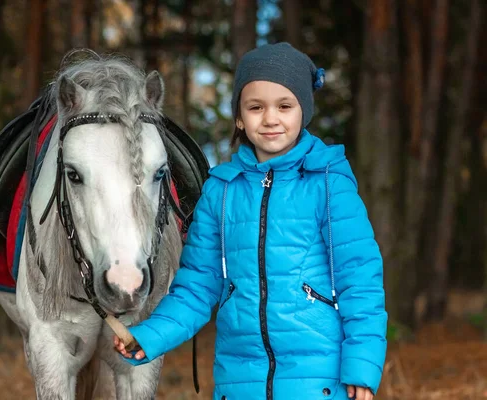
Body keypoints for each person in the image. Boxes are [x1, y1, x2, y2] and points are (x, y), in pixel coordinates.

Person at [114, 42, 387, 400]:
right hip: (240, 380)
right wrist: (149, 337)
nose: (271, 118)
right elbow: (197, 287)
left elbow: (360, 282)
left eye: (284, 106)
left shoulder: (328, 183)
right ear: (240, 117)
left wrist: (362, 366)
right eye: (256, 107)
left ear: (303, 112)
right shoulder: (221, 191)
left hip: (318, 380)